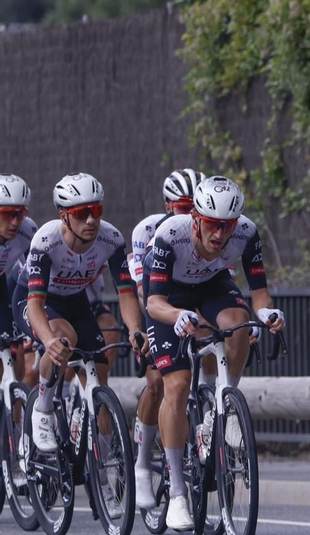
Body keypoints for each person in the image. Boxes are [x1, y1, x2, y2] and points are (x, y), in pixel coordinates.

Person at [144, 175, 284, 531]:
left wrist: (266, 313)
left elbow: (259, 293)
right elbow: (154, 303)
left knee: (239, 322)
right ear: (195, 218)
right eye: (211, 225)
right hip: (169, 299)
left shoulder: (247, 233)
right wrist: (177, 316)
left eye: (227, 226)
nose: (220, 235)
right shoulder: (169, 235)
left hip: (211, 285)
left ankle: (224, 406)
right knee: (176, 385)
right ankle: (177, 493)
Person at [21, 174, 145, 455]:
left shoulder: (111, 238)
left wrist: (135, 329)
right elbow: (35, 304)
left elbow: (126, 291)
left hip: (73, 299)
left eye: (96, 211)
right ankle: (42, 409)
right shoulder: (46, 241)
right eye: (81, 213)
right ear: (64, 217)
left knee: (98, 370)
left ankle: (101, 470)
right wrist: (48, 340)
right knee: (63, 338)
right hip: (37, 300)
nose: (91, 220)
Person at [127, 168, 200, 508]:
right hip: (160, 303)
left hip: (194, 300)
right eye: (182, 205)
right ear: (167, 206)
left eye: (193, 206)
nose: (188, 213)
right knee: (157, 381)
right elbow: (146, 292)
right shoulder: (148, 230)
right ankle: (142, 466)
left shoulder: (208, 228)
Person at [0, 175, 40, 381]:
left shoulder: (28, 231)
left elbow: (34, 278)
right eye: (7, 214)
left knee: (16, 365)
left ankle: (12, 410)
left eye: (20, 213)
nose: (15, 222)